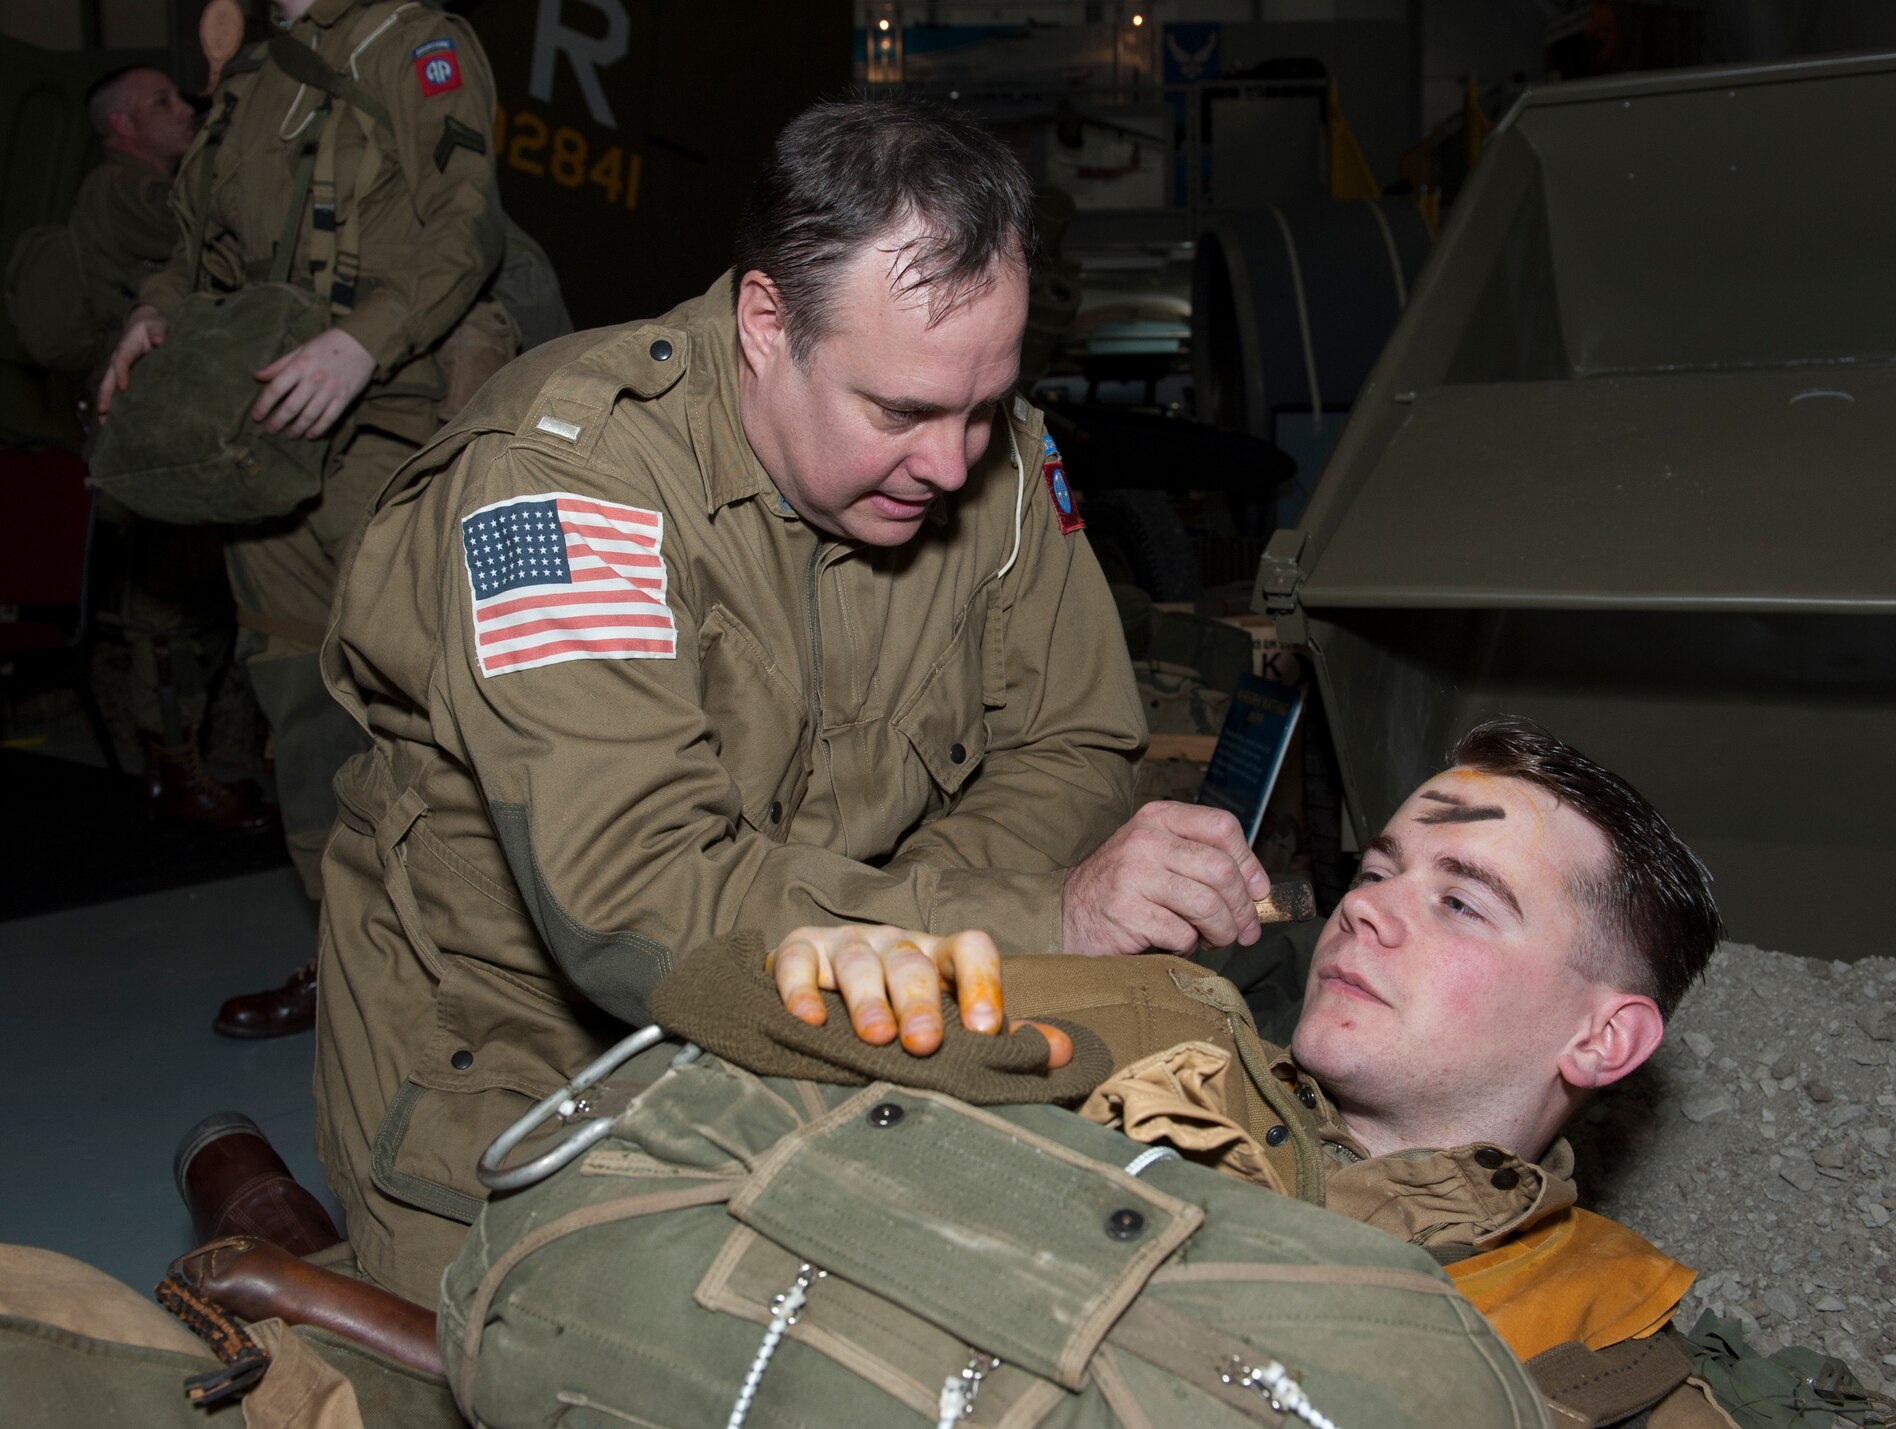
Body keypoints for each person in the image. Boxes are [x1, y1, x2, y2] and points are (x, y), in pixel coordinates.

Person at [311, 94, 1267, 1305]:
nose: (954, 462)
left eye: (984, 405)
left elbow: (1074, 742)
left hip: (841, 1039)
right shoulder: (559, 491)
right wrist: (1037, 919)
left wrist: (918, 936)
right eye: (902, 411)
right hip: (523, 1077)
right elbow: (631, 900)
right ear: (765, 321)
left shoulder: (996, 456)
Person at [772, 716, 1752, 1423]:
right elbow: (719, 1003)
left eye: (1461, 903)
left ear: (1600, 1039)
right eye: (1374, 873)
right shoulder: (1153, 1032)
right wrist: (841, 972)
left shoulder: (1598, 1358)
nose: (1364, 909)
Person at [96, 0, 508, 1038]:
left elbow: (465, 224)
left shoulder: (416, 44)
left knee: (415, 699)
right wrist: (155, 312)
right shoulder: (248, 76)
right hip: (267, 432)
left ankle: (468, 974)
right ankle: (348, 962)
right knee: (298, 699)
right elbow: (199, 250)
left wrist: (364, 343)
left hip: (389, 413)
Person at [7, 68, 271, 830]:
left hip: (172, 423)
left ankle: (186, 758)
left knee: (189, 599)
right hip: (149, 428)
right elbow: (216, 233)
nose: (184, 109)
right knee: (167, 606)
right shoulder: (121, 194)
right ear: (121, 126)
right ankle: (174, 765)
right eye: (163, 103)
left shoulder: (147, 191)